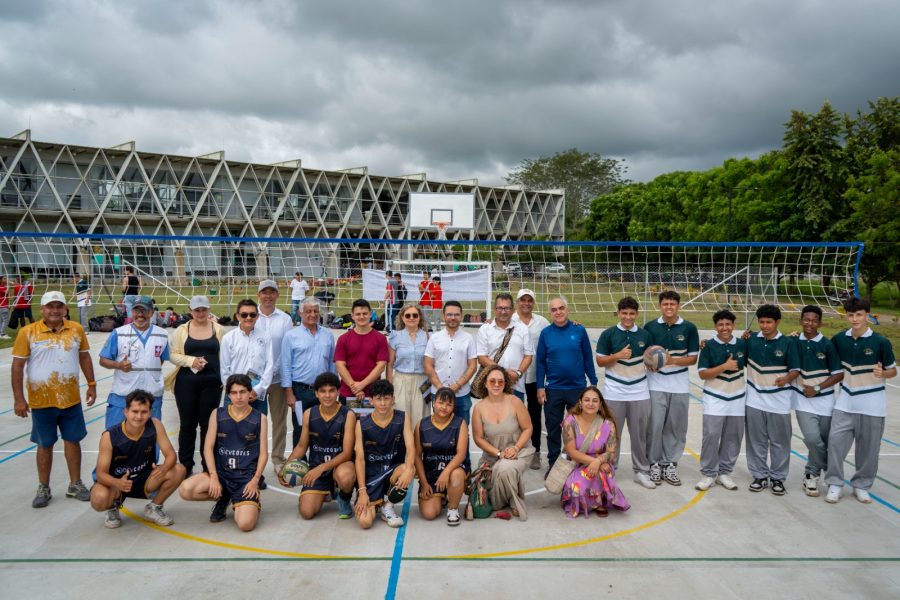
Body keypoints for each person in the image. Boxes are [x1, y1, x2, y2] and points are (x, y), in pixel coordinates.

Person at [12, 291, 96, 508]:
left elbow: (84, 357)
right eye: (50, 306)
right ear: (42, 309)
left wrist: (92, 384)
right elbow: (18, 366)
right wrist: (19, 399)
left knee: (73, 440)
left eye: (59, 306)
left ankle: (75, 483)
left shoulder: (76, 329)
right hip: (41, 400)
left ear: (65, 309)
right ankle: (44, 486)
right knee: (44, 443)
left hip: (70, 399)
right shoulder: (28, 332)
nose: (55, 310)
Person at [825, 297, 896, 504]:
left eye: (859, 315)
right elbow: (825, 356)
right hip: (845, 403)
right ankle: (835, 483)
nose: (854, 319)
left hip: (873, 407)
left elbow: (892, 370)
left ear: (867, 315)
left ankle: (862, 485)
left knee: (868, 451)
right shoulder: (839, 339)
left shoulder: (881, 342)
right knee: (836, 444)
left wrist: (883, 373)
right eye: (850, 315)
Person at [179, 374, 268, 530]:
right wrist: (213, 475)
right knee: (186, 490)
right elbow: (208, 447)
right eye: (234, 393)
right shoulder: (218, 414)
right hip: (222, 475)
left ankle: (246, 500)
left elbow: (263, 454)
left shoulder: (260, 418)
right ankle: (225, 496)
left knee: (245, 525)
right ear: (228, 395)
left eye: (242, 392)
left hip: (245, 478)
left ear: (250, 393)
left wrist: (255, 479)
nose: (238, 397)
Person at [90, 390, 186, 529]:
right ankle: (112, 508)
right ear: (126, 411)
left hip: (145, 479)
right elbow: (100, 474)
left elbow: (171, 455)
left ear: (150, 412)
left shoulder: (155, 425)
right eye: (135, 411)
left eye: (144, 412)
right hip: (117, 482)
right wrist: (117, 483)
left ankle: (154, 507)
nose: (139, 416)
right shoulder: (109, 436)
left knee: (179, 470)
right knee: (99, 499)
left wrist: (163, 469)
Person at [279, 372, 357, 520]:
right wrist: (285, 467)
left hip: (339, 465)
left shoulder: (348, 415)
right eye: (323, 391)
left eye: (331, 391)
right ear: (316, 393)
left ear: (338, 392)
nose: (327, 395)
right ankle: (325, 491)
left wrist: (321, 468)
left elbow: (347, 453)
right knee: (306, 513)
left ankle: (344, 498)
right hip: (317, 468)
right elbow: (302, 446)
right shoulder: (309, 414)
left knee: (345, 477)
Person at [595, 297, 655, 489]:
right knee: (613, 435)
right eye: (624, 313)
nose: (628, 317)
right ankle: (610, 469)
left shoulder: (645, 335)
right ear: (619, 313)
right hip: (614, 393)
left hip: (639, 392)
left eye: (631, 313)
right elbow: (600, 361)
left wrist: (655, 363)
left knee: (639, 435)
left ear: (636, 314)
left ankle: (641, 471)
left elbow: (652, 358)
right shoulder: (608, 334)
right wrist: (618, 356)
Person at [643, 291, 700, 486]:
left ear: (678, 306)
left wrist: (671, 360)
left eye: (672, 304)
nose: (669, 307)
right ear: (660, 306)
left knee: (676, 427)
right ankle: (654, 464)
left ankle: (670, 464)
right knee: (655, 426)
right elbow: (646, 355)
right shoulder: (650, 327)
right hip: (655, 384)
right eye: (665, 303)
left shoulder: (689, 328)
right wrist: (650, 362)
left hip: (679, 386)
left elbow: (692, 358)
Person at [535, 295, 597, 473]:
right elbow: (540, 362)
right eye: (554, 309)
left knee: (577, 430)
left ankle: (576, 462)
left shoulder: (579, 330)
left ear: (567, 310)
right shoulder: (546, 333)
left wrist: (593, 382)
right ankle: (554, 463)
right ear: (550, 313)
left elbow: (587, 357)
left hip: (577, 389)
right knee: (553, 429)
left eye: (561, 308)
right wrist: (540, 386)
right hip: (553, 389)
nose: (558, 312)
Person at [743, 304, 800, 495]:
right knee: (756, 442)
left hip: (779, 402)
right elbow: (734, 353)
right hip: (754, 401)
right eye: (762, 322)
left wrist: (786, 379)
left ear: (777, 322)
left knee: (779, 442)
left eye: (769, 322)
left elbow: (795, 370)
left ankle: (777, 478)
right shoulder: (750, 340)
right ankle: (759, 475)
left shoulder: (789, 343)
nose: (765, 326)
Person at [165, 295, 225, 475]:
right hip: (186, 382)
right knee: (187, 424)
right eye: (197, 310)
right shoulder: (181, 330)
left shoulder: (219, 329)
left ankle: (209, 465)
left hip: (212, 383)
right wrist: (191, 361)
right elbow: (173, 355)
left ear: (209, 310)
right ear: (191, 311)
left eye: (203, 310)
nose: (200, 313)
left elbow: (226, 355)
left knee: (208, 425)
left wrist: (225, 379)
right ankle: (185, 465)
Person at [471, 365, 535, 520]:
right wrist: (499, 454)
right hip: (493, 455)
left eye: (500, 381)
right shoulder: (479, 408)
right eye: (492, 381)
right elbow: (478, 438)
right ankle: (506, 496)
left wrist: (516, 447)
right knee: (485, 481)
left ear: (505, 383)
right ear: (485, 383)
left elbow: (528, 428)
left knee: (506, 468)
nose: (496, 384)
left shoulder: (515, 402)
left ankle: (512, 500)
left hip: (519, 452)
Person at [792, 305, 843, 497]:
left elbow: (838, 374)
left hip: (825, 401)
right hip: (802, 401)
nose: (809, 323)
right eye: (806, 319)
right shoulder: (793, 341)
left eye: (814, 320)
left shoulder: (827, 345)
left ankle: (810, 476)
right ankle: (833, 472)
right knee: (813, 439)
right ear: (801, 320)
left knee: (823, 441)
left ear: (820, 323)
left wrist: (817, 388)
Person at [694, 310, 747, 492]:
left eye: (728, 324)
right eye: (720, 325)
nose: (724, 328)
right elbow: (702, 374)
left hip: (738, 398)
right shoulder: (708, 346)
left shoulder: (742, 344)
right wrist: (724, 366)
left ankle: (725, 472)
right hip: (714, 398)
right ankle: (708, 473)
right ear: (715, 326)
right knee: (711, 436)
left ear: (733, 325)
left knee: (733, 437)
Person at [98, 295, 170, 428]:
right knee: (114, 439)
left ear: (152, 313)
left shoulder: (163, 334)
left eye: (144, 311)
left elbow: (160, 360)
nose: (140, 315)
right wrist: (118, 365)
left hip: (152, 397)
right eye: (136, 310)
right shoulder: (119, 333)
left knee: (151, 441)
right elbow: (103, 360)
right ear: (131, 311)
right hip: (123, 396)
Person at [353, 380, 416, 529]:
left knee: (409, 469)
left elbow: (411, 447)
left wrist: (408, 470)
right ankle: (376, 504)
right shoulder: (362, 424)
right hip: (372, 477)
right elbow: (360, 459)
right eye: (379, 399)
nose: (383, 403)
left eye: (386, 398)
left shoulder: (403, 417)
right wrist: (362, 491)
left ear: (393, 399)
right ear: (371, 400)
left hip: (392, 471)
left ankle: (388, 506)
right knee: (365, 522)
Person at [560, 386, 629, 518]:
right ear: (580, 402)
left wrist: (599, 461)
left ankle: (600, 502)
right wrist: (594, 462)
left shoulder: (608, 424)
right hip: (577, 462)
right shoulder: (570, 421)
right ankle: (594, 500)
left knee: (604, 471)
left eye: (595, 401)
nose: (590, 404)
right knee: (577, 486)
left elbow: (611, 452)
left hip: (601, 461)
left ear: (600, 404)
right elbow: (571, 452)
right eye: (587, 400)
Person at [281, 298, 335, 448]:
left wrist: (333, 388)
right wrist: (289, 392)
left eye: (315, 311)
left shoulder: (328, 335)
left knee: (323, 428)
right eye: (308, 311)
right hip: (299, 391)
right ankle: (299, 465)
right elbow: (285, 365)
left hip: (324, 391)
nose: (312, 314)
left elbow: (332, 362)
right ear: (300, 313)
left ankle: (318, 463)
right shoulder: (291, 336)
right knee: (300, 428)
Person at [256, 279, 295, 475]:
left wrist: (272, 370)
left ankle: (278, 458)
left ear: (277, 295)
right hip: (256, 379)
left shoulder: (285, 319)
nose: (268, 296)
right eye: (264, 292)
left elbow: (286, 350)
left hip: (278, 378)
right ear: (259, 295)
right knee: (256, 420)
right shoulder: (250, 315)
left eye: (272, 292)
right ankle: (255, 458)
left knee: (279, 420)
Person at [415, 387, 470, 526]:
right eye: (441, 402)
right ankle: (442, 497)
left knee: (456, 476)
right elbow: (416, 456)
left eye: (449, 404)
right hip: (431, 475)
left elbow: (461, 454)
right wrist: (424, 483)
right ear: (434, 402)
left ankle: (453, 508)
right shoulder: (422, 425)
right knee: (429, 514)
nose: (444, 407)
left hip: (452, 471)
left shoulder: (460, 423)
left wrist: (446, 473)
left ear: (453, 407)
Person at [512, 289, 550, 470]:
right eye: (522, 300)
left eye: (529, 300)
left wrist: (573, 323)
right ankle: (514, 450)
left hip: (535, 374)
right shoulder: (509, 320)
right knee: (514, 416)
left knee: (534, 415)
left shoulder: (541, 322)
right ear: (517, 301)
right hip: (514, 375)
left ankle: (535, 452)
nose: (526, 303)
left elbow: (556, 329)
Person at [423, 301, 478, 425]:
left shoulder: (468, 338)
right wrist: (440, 386)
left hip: (461, 394)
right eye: (449, 314)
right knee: (439, 430)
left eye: (456, 314)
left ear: (461, 316)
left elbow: (473, 366)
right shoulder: (434, 338)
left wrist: (457, 385)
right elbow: (428, 364)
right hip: (438, 393)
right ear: (443, 316)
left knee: (462, 430)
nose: (453, 318)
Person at [220, 299, 274, 415]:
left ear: (257, 316)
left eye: (252, 314)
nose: (248, 317)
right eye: (244, 314)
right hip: (234, 395)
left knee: (259, 430)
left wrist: (257, 390)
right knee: (231, 431)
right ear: (238, 316)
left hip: (257, 394)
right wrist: (235, 392)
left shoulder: (266, 337)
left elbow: (269, 366)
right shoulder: (228, 338)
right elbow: (225, 369)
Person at [476, 292, 534, 401]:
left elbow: (528, 356)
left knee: (515, 417)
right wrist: (505, 373)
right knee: (490, 417)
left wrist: (517, 373)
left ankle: (571, 419)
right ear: (494, 309)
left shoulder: (523, 329)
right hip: (492, 385)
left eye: (507, 308)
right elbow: (482, 358)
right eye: (500, 308)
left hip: (515, 386)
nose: (503, 312)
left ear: (512, 310)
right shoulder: (485, 329)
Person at [334, 299, 389, 412]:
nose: (361, 316)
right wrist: (355, 387)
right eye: (358, 314)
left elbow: (381, 366)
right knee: (347, 428)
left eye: (365, 313)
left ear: (370, 314)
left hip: (372, 394)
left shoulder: (380, 338)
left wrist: (362, 385)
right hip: (348, 392)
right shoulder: (343, 339)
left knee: (368, 428)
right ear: (352, 316)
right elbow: (340, 366)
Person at [387, 304, 430, 426]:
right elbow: (390, 364)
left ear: (420, 317)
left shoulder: (427, 336)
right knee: (400, 416)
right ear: (402, 317)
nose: (411, 318)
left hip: (422, 380)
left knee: (420, 417)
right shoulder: (395, 336)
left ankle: (417, 445)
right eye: (408, 315)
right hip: (401, 379)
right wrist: (390, 387)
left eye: (415, 315)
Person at [0, 274, 10, 339]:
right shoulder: (1, 287)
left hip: (3, 305)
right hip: (3, 306)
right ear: (0, 280)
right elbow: (6, 292)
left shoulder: (3, 286)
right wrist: (8, 286)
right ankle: (2, 334)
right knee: (5, 320)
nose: (6, 280)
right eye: (4, 279)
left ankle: (1, 333)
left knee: (1, 320)